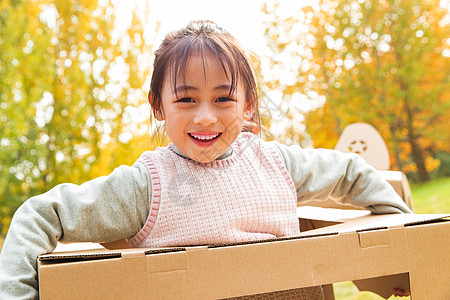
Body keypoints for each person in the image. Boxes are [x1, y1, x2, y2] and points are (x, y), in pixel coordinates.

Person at [0, 20, 412, 299]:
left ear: (247, 104)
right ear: (158, 107)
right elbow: (40, 215)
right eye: (185, 99)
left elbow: (352, 173)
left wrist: (403, 240)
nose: (204, 116)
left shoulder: (275, 162)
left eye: (223, 98)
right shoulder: (147, 184)